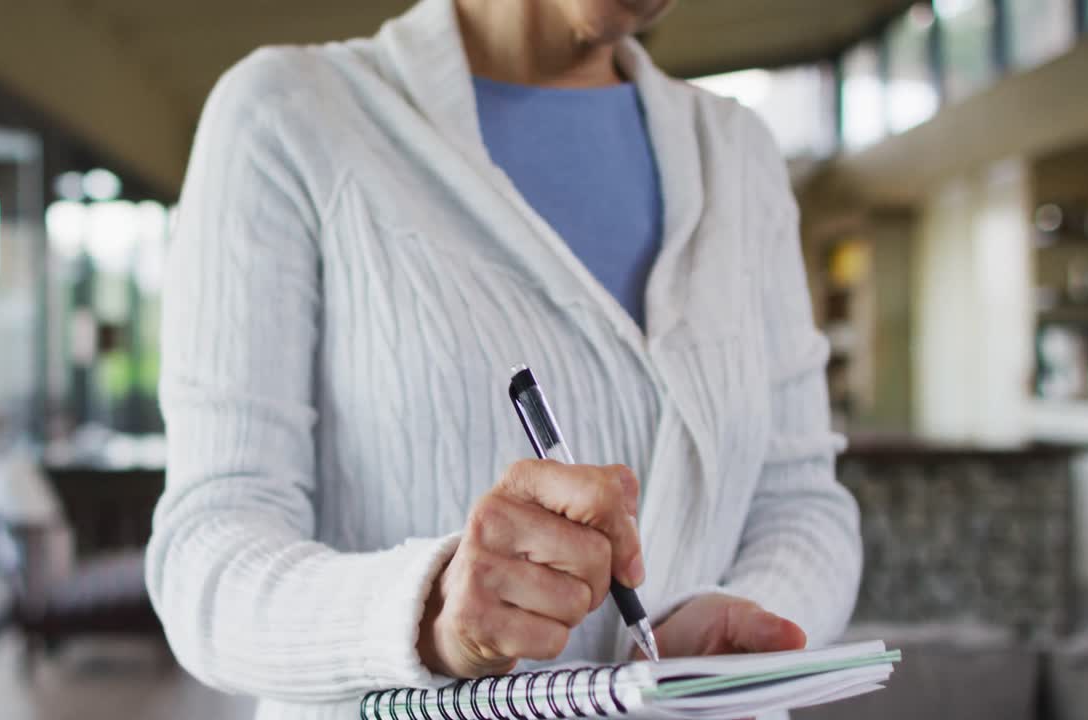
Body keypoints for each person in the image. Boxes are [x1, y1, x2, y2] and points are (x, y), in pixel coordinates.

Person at [145, 0, 863, 718]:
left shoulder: (738, 153)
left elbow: (802, 505)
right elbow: (207, 561)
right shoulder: (288, 114)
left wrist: (725, 626)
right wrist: (429, 613)